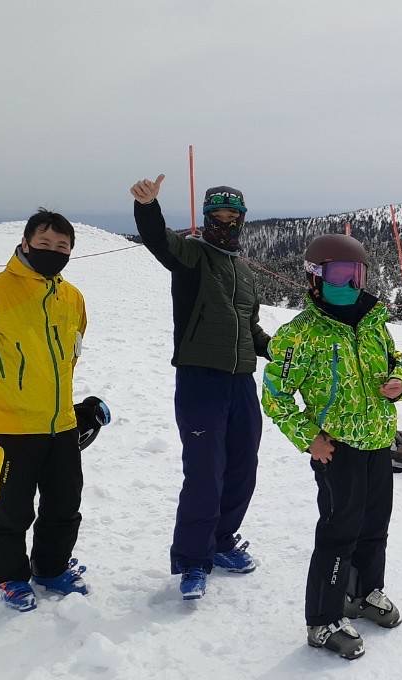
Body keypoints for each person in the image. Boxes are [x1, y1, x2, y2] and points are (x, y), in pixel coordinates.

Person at [262, 233, 402, 661]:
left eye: (356, 274)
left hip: (377, 440)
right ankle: (323, 620)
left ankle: (362, 593)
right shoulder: (300, 335)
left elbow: (396, 362)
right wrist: (308, 437)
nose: (349, 284)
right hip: (337, 449)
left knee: (375, 523)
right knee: (339, 531)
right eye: (338, 274)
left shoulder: (374, 323)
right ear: (314, 277)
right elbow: (274, 394)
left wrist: (398, 384)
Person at [130, 174, 272, 600]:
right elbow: (159, 240)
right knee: (204, 472)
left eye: (233, 216)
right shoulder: (192, 255)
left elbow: (249, 327)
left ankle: (222, 540)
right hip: (200, 379)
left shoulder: (244, 271)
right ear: (206, 217)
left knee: (242, 466)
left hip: (241, 381)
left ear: (242, 219)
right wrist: (147, 207)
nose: (226, 223)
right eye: (218, 216)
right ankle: (193, 559)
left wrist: (277, 348)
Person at [0, 209, 90, 611]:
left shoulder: (72, 297)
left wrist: (67, 410)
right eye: (44, 243)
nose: (53, 251)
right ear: (25, 243)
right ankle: (9, 576)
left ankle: (51, 568)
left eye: (62, 246)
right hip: (9, 427)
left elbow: (70, 356)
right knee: (10, 510)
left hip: (60, 426)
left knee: (64, 505)